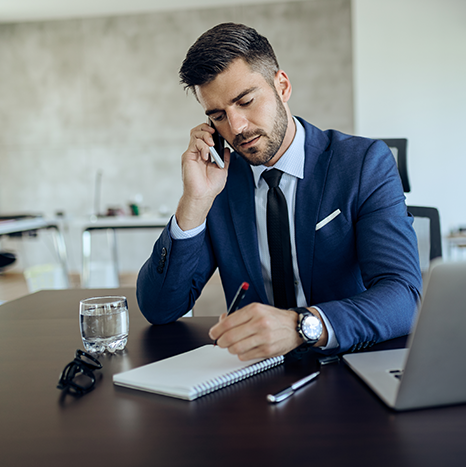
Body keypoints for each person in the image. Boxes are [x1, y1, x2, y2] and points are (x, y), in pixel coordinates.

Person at [136, 22, 421, 360]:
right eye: (218, 116)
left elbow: (403, 296)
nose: (236, 127)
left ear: (282, 86)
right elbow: (160, 308)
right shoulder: (219, 181)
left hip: (348, 364)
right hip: (255, 374)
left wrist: (302, 326)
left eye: (245, 101)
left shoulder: (363, 164)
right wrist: (194, 202)